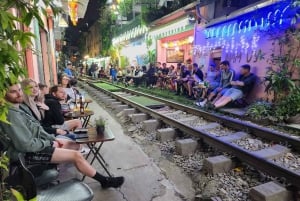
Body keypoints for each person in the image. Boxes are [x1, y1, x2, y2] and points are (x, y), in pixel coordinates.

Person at [0, 83, 124, 188]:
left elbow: (37, 129)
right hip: (26, 154)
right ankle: (105, 181)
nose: (19, 94)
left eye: (19, 90)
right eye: (13, 92)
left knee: (74, 145)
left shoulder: (20, 107)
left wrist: (52, 139)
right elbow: (25, 145)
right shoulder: (11, 115)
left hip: (38, 144)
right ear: (4, 94)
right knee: (76, 155)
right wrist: (49, 142)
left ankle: (62, 166)